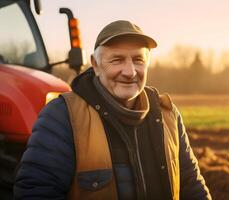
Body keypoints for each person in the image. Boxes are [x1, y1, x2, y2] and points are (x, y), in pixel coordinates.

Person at [14, 20, 211, 200]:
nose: (130, 72)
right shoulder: (62, 116)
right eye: (117, 60)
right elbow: (36, 193)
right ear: (95, 65)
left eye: (138, 60)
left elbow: (191, 185)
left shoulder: (167, 114)